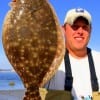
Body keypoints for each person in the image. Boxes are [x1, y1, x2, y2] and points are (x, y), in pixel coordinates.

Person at [44, 8, 100, 99]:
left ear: (90, 30)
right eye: (75, 26)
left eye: (85, 27)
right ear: (64, 29)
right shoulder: (49, 60)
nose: (80, 31)